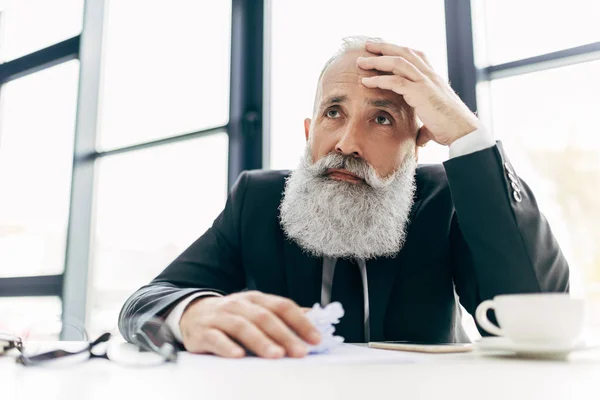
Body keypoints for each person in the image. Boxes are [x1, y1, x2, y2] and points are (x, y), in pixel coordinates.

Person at [118, 36, 569, 359]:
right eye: (334, 113)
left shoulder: (445, 199)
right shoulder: (256, 199)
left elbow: (541, 314)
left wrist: (467, 136)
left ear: (415, 149)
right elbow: (149, 300)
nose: (347, 144)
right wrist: (193, 312)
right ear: (310, 132)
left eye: (382, 119)